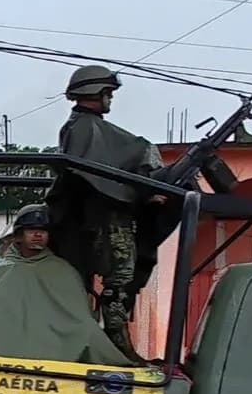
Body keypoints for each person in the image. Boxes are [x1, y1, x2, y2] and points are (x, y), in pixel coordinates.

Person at [44, 64, 165, 364]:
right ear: (93, 92)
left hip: (103, 219)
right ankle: (115, 347)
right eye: (108, 92)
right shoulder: (84, 128)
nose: (110, 98)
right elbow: (93, 171)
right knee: (119, 281)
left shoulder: (87, 127)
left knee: (117, 283)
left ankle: (111, 344)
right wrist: (141, 187)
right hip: (102, 222)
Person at [0, 204, 130, 366]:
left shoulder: (64, 273)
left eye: (43, 230)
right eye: (31, 230)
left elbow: (80, 323)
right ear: (18, 236)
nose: (38, 234)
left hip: (50, 366)